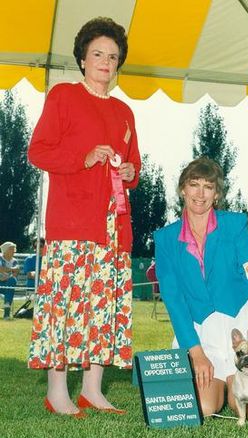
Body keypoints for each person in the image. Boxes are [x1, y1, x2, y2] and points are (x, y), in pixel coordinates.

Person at [27, 17, 141, 417]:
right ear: (82, 57)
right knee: (66, 305)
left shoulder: (126, 112)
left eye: (112, 57)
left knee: (103, 306)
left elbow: (134, 167)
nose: (106, 63)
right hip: (72, 224)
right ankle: (57, 391)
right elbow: (37, 151)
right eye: (98, 54)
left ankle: (93, 389)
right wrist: (83, 157)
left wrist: (128, 173)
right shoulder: (62, 96)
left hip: (113, 230)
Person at [154, 157, 248, 418]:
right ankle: (216, 382)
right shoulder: (164, 240)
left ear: (216, 194)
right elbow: (174, 301)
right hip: (198, 332)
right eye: (193, 185)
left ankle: (236, 384)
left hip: (239, 325)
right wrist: (196, 353)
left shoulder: (235, 225)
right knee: (204, 408)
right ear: (183, 189)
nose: (200, 194)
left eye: (208, 187)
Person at [0, 241, 19, 320]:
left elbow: (17, 271)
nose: (14, 251)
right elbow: (1, 268)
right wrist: (11, 270)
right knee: (10, 286)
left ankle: (7, 313)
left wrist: (8, 271)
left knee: (12, 281)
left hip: (7, 284)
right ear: (6, 250)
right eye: (11, 249)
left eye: (14, 249)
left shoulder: (14, 261)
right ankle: (7, 314)